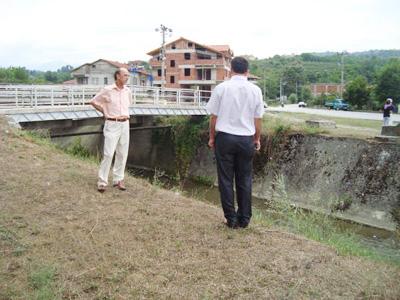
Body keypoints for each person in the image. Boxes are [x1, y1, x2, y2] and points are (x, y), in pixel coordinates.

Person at [206, 57, 264, 229]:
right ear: (247, 71)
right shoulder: (256, 90)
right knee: (244, 178)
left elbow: (213, 117)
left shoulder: (221, 88)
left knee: (225, 179)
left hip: (225, 138)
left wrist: (211, 137)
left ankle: (230, 219)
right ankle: (244, 219)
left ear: (231, 70)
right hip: (246, 139)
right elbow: (258, 119)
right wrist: (257, 138)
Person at [90, 67, 132, 193]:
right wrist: (105, 111)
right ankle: (102, 181)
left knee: (122, 153)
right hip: (112, 124)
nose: (127, 77)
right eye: (125, 75)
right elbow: (94, 101)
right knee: (108, 153)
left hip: (125, 124)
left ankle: (118, 179)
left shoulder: (128, 91)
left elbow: (128, 105)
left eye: (128, 75)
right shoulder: (107, 90)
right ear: (118, 76)